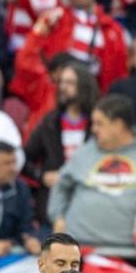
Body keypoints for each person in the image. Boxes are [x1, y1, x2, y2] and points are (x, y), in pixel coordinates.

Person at [48, 94, 136, 248]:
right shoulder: (83, 153)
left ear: (118, 125)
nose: (93, 129)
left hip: (131, 254)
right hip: (80, 251)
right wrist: (58, 218)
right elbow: (61, 186)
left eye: (99, 124)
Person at [30, 0, 127, 91]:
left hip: (93, 97)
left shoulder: (111, 29)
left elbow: (118, 76)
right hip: (55, 95)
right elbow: (29, 61)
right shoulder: (53, 20)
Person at [25, 62, 98, 220]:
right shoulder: (50, 122)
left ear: (84, 86)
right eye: (62, 82)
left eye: (70, 83)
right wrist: (41, 176)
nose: (63, 87)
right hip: (53, 205)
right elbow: (23, 159)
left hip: (90, 203)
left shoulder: (98, 123)